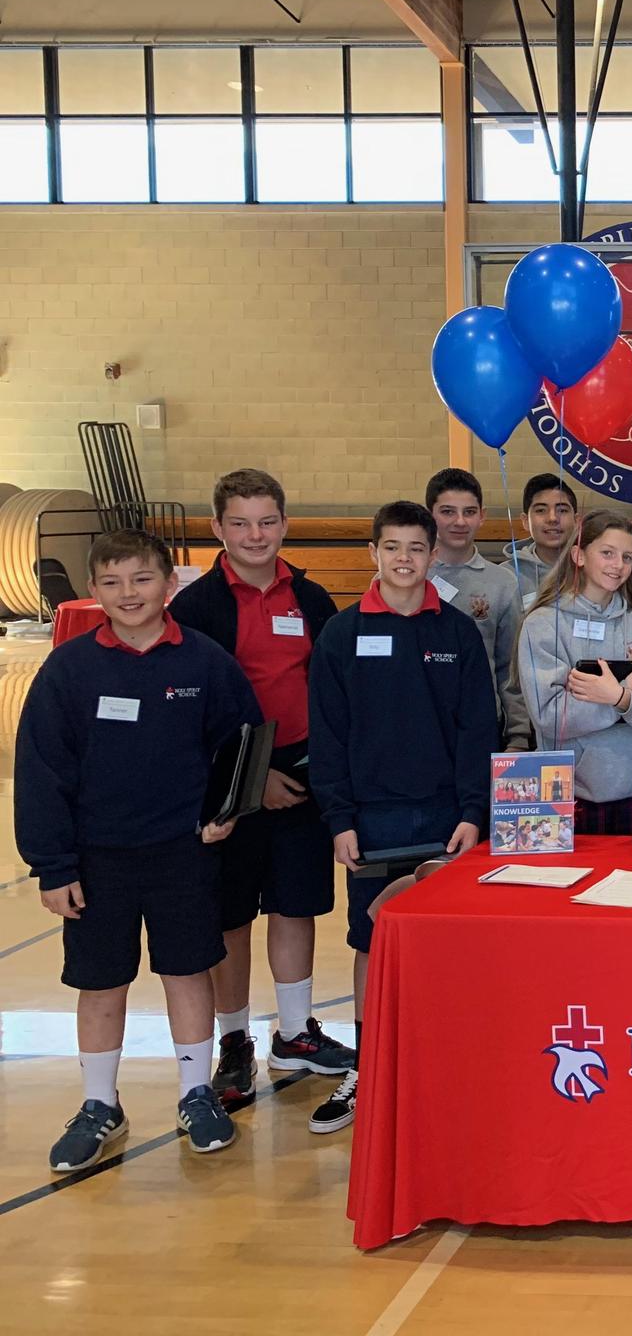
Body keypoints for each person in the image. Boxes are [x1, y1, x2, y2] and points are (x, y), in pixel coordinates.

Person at [16, 529, 259, 1169]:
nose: (129, 594)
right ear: (94, 591)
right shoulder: (69, 669)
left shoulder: (203, 662)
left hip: (182, 854)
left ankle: (196, 1091)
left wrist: (224, 813)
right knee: (100, 983)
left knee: (187, 972)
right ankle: (100, 1105)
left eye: (142, 580)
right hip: (97, 861)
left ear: (168, 586)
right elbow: (42, 771)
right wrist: (53, 865)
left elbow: (244, 742)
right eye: (113, 583)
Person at [307, 500, 495, 1135]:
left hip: (448, 818)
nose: (405, 560)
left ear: (433, 554)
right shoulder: (341, 633)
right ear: (374, 554)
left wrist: (475, 809)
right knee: (372, 941)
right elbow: (328, 736)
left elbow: (478, 730)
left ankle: (451, 1061)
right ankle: (370, 1064)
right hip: (373, 819)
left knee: (454, 944)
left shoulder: (457, 634)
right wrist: (339, 818)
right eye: (393, 548)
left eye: (417, 548)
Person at [169, 469, 355, 1108]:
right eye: (241, 523)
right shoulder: (193, 610)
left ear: (284, 525)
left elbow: (330, 690)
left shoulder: (311, 598)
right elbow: (191, 711)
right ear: (218, 529)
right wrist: (249, 780)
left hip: (301, 777)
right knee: (232, 917)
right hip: (228, 784)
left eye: (267, 521)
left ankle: (297, 1032)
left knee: (295, 903)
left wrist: (306, 772)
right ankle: (235, 1043)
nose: (255, 535)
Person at [520, 509, 632, 833]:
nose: (617, 565)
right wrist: (626, 697)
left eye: (627, 557)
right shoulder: (543, 624)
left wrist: (619, 697)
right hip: (568, 794)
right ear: (579, 555)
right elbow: (550, 715)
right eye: (607, 553)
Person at [424, 467, 530, 748]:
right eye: (448, 512)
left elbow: (510, 668)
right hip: (417, 724)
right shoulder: (407, 576)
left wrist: (518, 734)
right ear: (429, 514)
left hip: (480, 724)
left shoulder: (503, 582)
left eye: (469, 512)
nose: (460, 521)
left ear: (482, 516)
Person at [504, 474, 580, 607]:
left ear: (577, 521)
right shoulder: (505, 576)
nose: (552, 518)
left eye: (562, 510)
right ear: (525, 521)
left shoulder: (593, 572)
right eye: (541, 510)